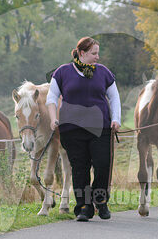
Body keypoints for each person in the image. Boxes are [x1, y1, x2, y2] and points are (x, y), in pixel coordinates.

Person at [46, 37, 121, 221]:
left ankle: (100, 201)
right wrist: (53, 118)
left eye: (98, 53)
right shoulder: (62, 72)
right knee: (80, 168)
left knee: (102, 164)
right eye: (94, 53)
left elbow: (115, 97)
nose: (97, 56)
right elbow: (51, 98)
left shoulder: (103, 72)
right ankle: (84, 208)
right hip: (72, 129)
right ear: (82, 53)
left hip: (100, 127)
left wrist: (116, 119)